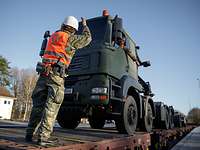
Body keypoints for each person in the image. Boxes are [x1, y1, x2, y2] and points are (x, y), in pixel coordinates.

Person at [25, 16, 91, 146]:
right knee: (52, 106)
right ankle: (43, 138)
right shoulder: (69, 38)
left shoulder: (53, 36)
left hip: (43, 74)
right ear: (73, 29)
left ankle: (29, 133)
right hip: (56, 76)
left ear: (63, 25)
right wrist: (85, 25)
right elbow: (87, 38)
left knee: (38, 106)